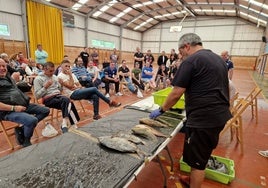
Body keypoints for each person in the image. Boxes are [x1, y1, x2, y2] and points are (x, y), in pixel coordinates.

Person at [149, 33, 232, 188]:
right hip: (219, 115)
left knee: (197, 162)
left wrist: (161, 109)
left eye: (181, 52)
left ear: (187, 46)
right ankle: (193, 179)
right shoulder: (218, 59)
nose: (181, 56)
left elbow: (175, 93)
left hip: (204, 119)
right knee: (202, 153)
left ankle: (195, 183)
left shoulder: (191, 61)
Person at [0, 58, 50, 147]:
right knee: (32, 120)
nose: (2, 68)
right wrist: (14, 108)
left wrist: (15, 80)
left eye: (3, 66)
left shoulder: (7, 76)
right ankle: (26, 141)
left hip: (23, 105)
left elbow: (18, 73)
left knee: (45, 110)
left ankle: (22, 129)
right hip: (7, 111)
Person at [34, 61, 80, 133]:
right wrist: (45, 87)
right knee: (67, 101)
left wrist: (61, 85)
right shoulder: (38, 79)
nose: (52, 73)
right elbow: (37, 96)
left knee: (69, 103)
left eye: (53, 71)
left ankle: (70, 124)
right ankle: (66, 123)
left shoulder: (55, 77)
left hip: (58, 96)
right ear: (45, 69)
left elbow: (59, 90)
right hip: (48, 99)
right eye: (50, 71)